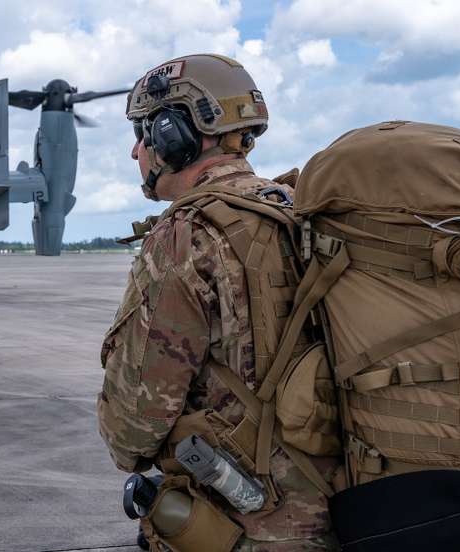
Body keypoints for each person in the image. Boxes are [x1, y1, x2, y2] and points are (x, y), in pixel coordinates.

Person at [98, 54, 339, 551]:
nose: (136, 152)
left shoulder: (187, 236)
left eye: (145, 134)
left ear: (174, 134)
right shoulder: (301, 211)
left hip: (244, 529)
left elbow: (133, 430)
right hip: (347, 516)